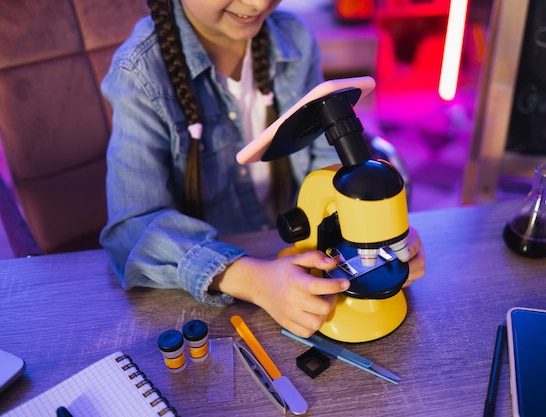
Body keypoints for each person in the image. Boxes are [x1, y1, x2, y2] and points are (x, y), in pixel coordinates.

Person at [100, 0, 425, 338]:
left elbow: (323, 161)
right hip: (221, 293)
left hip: (295, 255)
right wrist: (252, 279)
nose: (257, 3)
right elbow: (131, 229)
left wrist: (383, 236)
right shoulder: (138, 72)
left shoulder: (294, 39)